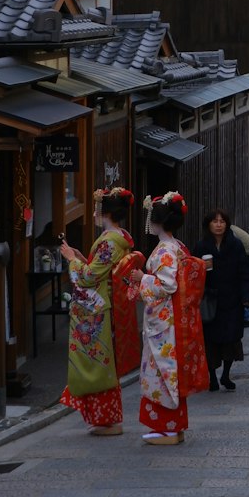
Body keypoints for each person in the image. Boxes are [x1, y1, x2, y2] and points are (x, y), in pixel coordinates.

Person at [58, 187, 143, 436]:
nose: (94, 213)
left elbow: (89, 277)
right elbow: (97, 270)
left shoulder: (109, 241)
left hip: (99, 308)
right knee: (101, 365)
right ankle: (104, 418)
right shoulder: (117, 238)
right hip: (103, 303)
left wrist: (70, 260)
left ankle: (110, 420)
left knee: (100, 367)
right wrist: (80, 257)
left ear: (102, 211)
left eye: (96, 209)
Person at [130, 191, 209, 444]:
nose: (149, 222)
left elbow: (167, 285)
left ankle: (167, 428)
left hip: (164, 325)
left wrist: (142, 279)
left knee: (162, 373)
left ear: (158, 221)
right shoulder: (177, 246)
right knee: (166, 373)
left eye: (151, 218)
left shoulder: (165, 250)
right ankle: (173, 426)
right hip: (168, 320)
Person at [194, 209, 249, 391]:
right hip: (209, 300)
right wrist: (201, 268)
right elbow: (192, 271)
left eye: (222, 221)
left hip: (232, 299)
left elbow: (245, 272)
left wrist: (246, 298)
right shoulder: (202, 246)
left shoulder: (235, 245)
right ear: (208, 224)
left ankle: (226, 374)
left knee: (231, 338)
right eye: (215, 221)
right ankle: (212, 376)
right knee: (210, 340)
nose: (219, 224)